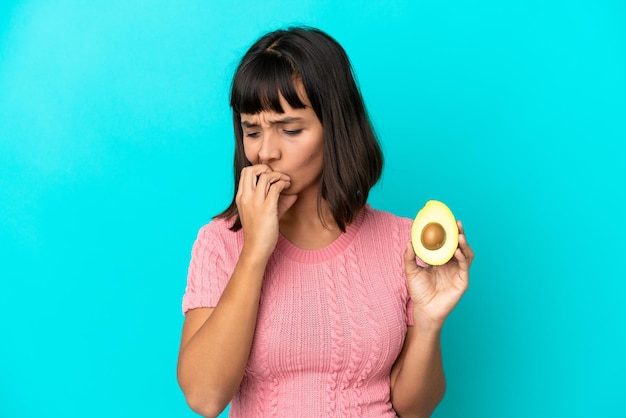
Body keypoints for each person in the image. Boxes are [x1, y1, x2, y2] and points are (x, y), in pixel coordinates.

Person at [177, 26, 473, 418]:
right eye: (252, 130)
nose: (265, 152)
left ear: (335, 127)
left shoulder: (400, 242)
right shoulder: (220, 243)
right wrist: (255, 252)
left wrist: (430, 320)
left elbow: (413, 408)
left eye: (290, 129)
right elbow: (205, 397)